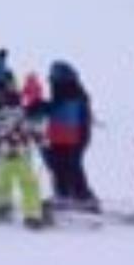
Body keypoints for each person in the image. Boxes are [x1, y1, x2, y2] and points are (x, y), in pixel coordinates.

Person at [0, 74, 45, 229]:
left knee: (3, 184)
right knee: (29, 185)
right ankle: (32, 215)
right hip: (22, 156)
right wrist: (42, 141)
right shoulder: (24, 117)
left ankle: (3, 207)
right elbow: (36, 132)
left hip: (2, 157)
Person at [38, 61, 98, 211]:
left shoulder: (71, 93)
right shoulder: (69, 92)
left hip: (72, 136)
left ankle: (78, 196)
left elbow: (58, 108)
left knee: (68, 165)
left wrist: (40, 107)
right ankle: (71, 194)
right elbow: (55, 108)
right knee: (62, 165)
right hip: (64, 136)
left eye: (52, 78)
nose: (50, 81)